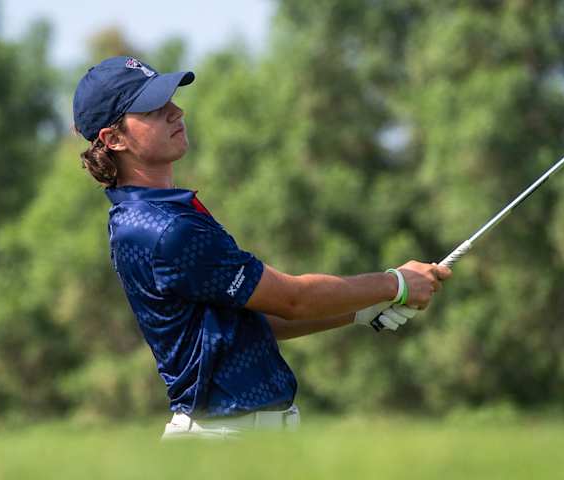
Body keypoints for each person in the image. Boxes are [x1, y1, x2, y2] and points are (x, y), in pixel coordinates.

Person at [72, 57, 451, 439]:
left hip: (243, 436)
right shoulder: (165, 229)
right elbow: (292, 300)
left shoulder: (160, 213)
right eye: (153, 109)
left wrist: (359, 309)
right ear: (114, 139)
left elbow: (255, 318)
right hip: (221, 441)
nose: (176, 111)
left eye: (170, 100)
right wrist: (394, 284)